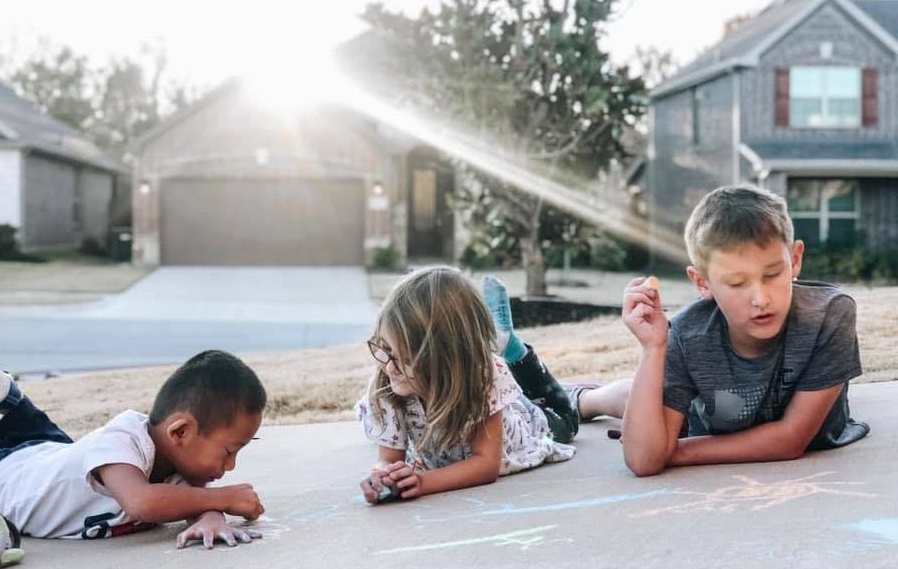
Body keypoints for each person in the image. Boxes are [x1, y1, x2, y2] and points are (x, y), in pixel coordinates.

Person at [621, 184, 869, 477]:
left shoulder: (829, 314)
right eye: (737, 283)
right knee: (634, 396)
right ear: (702, 283)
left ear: (795, 259)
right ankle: (585, 400)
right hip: (708, 410)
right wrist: (653, 349)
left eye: (773, 273)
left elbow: (790, 441)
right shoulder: (685, 335)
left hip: (722, 423)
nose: (761, 299)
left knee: (648, 404)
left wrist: (674, 450)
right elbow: (643, 461)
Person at [0, 348, 266, 548]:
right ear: (180, 432)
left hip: (49, 463)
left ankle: (8, 398)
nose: (230, 466)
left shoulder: (178, 471)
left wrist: (211, 517)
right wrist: (224, 498)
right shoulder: (123, 440)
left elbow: (189, 502)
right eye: (228, 451)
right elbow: (141, 502)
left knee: (63, 452)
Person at [356, 267, 629, 502]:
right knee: (523, 395)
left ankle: (514, 350)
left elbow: (485, 464)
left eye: (404, 358)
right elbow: (390, 458)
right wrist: (383, 476)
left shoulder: (483, 376)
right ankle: (555, 382)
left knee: (569, 416)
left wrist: (424, 482)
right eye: (385, 348)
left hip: (532, 425)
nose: (388, 365)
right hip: (499, 402)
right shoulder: (388, 387)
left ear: (445, 359)